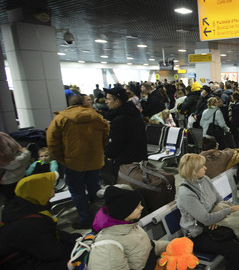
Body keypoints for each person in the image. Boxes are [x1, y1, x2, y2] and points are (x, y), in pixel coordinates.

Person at [88, 185, 172, 270]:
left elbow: (147, 246)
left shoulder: (129, 226)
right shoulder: (107, 248)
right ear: (125, 210)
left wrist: (170, 246)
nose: (142, 207)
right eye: (137, 206)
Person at [0, 172, 80, 270]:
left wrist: (76, 238)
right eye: (50, 186)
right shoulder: (31, 223)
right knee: (77, 257)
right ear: (39, 191)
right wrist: (77, 246)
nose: (53, 188)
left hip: (25, 258)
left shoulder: (23, 207)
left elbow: (48, 233)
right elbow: (53, 252)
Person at [47, 95, 109, 229]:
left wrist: (61, 159)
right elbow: (105, 136)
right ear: (83, 104)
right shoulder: (98, 117)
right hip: (94, 161)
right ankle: (99, 217)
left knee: (77, 192)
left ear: (70, 105)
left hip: (73, 162)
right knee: (95, 189)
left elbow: (52, 142)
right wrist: (99, 152)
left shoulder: (61, 119)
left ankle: (85, 219)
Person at [104, 86, 148, 173]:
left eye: (108, 99)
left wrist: (108, 155)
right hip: (139, 161)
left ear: (117, 102)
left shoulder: (119, 120)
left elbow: (114, 145)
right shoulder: (134, 114)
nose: (106, 102)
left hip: (125, 164)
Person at [0, 132, 32, 202]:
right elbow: (12, 165)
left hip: (22, 175)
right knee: (14, 206)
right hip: (8, 182)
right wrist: (26, 153)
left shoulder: (3, 135)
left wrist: (23, 155)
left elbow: (21, 150)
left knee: (28, 202)